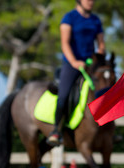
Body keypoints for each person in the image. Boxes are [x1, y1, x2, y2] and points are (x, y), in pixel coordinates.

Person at [47, 0, 105, 146]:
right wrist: (74, 62)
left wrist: (100, 53)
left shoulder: (96, 20)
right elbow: (65, 43)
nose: (91, 2)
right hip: (72, 64)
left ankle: (109, 131)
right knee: (64, 95)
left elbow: (101, 43)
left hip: (91, 64)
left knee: (106, 90)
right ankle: (56, 130)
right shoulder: (69, 18)